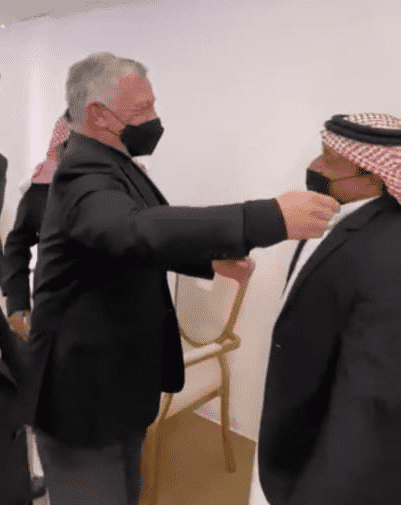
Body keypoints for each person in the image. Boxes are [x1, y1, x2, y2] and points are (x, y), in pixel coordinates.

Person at [21, 52, 339, 505]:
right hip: (79, 393)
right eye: (142, 109)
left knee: (126, 492)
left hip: (116, 382)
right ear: (99, 114)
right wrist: (265, 217)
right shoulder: (81, 172)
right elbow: (131, 229)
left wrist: (206, 263)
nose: (155, 119)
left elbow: (131, 245)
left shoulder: (115, 162)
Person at [253, 113, 401, 505]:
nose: (315, 166)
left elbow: (369, 402)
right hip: (292, 428)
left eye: (330, 160)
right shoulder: (338, 212)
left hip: (321, 465)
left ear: (374, 175)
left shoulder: (389, 254)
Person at [2, 111, 71, 342]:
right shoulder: (42, 188)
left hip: (110, 317)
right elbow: (16, 245)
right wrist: (17, 302)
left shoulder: (117, 185)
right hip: (51, 312)